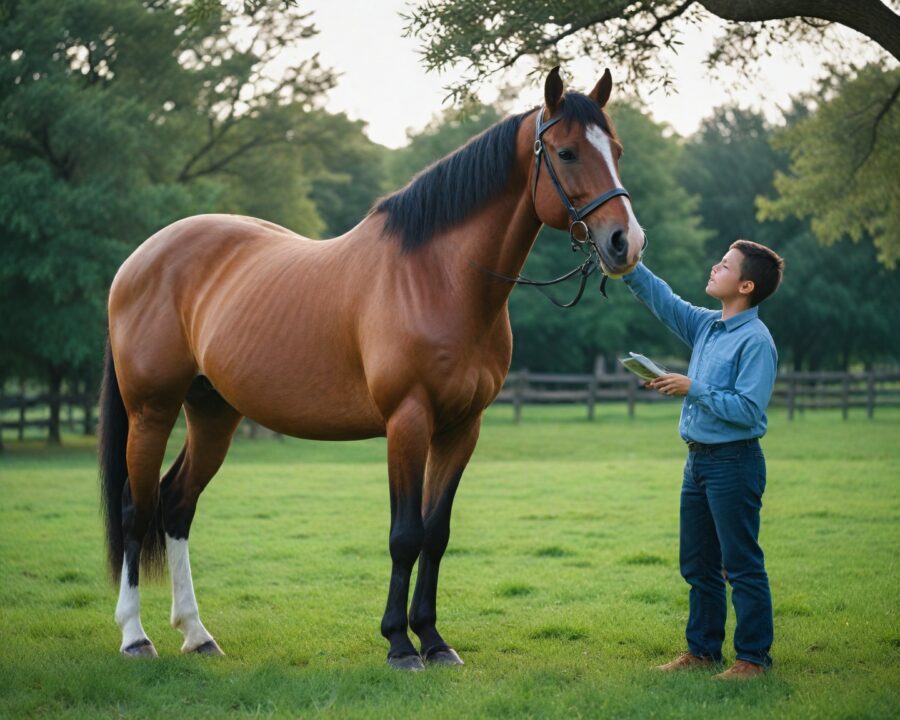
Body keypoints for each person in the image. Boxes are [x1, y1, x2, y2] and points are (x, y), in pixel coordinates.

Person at [621, 239, 785, 680]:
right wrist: (627, 264)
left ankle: (753, 659)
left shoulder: (756, 341)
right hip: (697, 464)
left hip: (735, 463)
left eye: (726, 265)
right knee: (697, 563)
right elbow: (664, 301)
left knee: (742, 565)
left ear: (746, 285)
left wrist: (692, 387)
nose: (715, 267)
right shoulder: (707, 326)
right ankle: (703, 651)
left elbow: (749, 410)